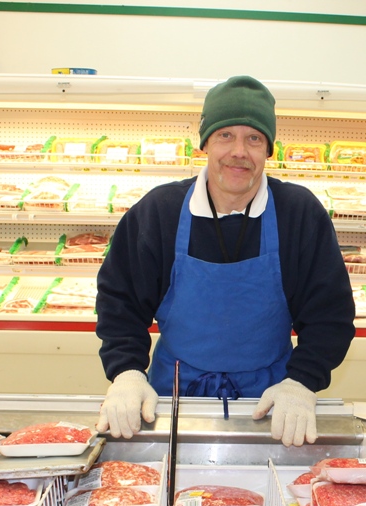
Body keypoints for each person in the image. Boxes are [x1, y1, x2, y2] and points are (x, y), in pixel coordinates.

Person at [95, 75, 355, 447]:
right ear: (204, 143)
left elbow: (329, 315)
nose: (239, 151)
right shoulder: (159, 211)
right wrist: (127, 372)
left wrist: (302, 382)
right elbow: (120, 302)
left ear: (268, 150)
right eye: (225, 135)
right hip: (172, 398)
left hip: (273, 402)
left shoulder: (298, 213)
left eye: (254, 138)